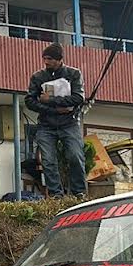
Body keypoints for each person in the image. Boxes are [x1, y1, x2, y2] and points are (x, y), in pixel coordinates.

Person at [25, 43, 87, 198]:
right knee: (47, 161)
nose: (46, 62)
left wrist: (51, 100)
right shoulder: (38, 77)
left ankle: (79, 192)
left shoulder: (73, 74)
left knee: (75, 156)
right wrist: (54, 109)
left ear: (59, 59)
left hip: (69, 122)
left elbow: (79, 98)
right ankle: (55, 195)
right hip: (46, 124)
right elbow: (30, 101)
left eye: (50, 59)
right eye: (44, 58)